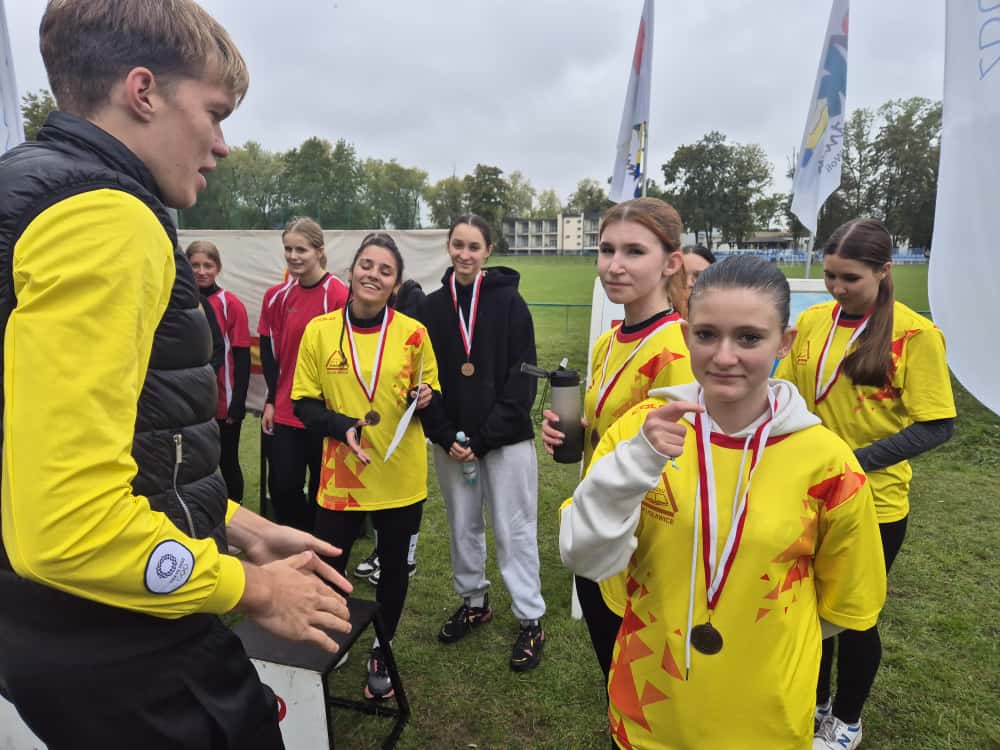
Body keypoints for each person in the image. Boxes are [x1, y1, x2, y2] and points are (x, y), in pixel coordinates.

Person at [0, 2, 352, 747]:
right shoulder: (105, 217)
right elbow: (68, 526)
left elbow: (88, 445)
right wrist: (252, 587)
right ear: (144, 92)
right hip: (120, 635)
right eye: (215, 113)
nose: (222, 145)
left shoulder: (31, 188)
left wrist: (233, 523)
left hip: (54, 627)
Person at [560, 256, 887, 750]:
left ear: (784, 342)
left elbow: (845, 604)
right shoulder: (642, 430)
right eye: (707, 335)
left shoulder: (828, 463)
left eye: (749, 338)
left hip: (765, 717)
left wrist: (760, 631)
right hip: (649, 707)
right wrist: (637, 464)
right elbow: (583, 556)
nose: (724, 356)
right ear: (686, 334)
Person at [775, 218, 956, 750]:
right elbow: (785, 395)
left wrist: (853, 462)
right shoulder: (812, 321)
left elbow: (937, 425)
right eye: (830, 275)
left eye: (850, 278)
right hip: (808, 495)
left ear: (883, 271)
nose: (836, 287)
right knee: (808, 607)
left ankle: (847, 722)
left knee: (854, 617)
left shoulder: (915, 335)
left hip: (873, 503)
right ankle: (816, 703)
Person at [541, 197, 693, 688]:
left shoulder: (679, 350)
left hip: (643, 549)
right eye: (607, 250)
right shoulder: (610, 341)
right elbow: (614, 428)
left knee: (643, 688)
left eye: (634, 251)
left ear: (671, 263)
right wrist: (573, 431)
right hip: (599, 528)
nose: (614, 265)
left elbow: (681, 467)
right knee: (615, 681)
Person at [292, 233, 442, 700]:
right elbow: (303, 403)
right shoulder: (320, 331)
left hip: (400, 473)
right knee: (329, 564)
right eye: (367, 265)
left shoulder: (414, 333)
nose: (373, 275)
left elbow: (432, 393)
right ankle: (333, 634)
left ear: (396, 283)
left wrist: (427, 397)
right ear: (352, 270)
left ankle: (382, 644)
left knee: (394, 567)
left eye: (385, 270)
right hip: (343, 475)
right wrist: (341, 426)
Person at [420, 214, 546, 672]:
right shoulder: (432, 307)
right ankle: (474, 602)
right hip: (452, 442)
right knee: (462, 524)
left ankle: (530, 619)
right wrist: (444, 433)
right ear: (448, 246)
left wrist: (484, 437)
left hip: (505, 441)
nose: (465, 254)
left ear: (488, 251)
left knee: (514, 529)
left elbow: (522, 379)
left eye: (474, 246)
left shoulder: (510, 303)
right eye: (458, 244)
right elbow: (422, 380)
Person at [266, 217, 348, 532]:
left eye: (301, 249)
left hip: (325, 410)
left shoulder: (338, 295)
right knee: (283, 486)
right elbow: (274, 355)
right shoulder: (277, 297)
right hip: (287, 409)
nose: (293, 256)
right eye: (288, 249)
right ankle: (298, 539)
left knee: (323, 488)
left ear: (319, 251)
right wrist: (271, 400)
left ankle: (319, 545)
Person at [353, 276, 427, 585]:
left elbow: (417, 359)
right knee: (378, 485)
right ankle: (382, 551)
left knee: (406, 490)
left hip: (405, 414)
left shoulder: (412, 298)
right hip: (374, 418)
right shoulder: (362, 307)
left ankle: (406, 557)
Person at [187, 240, 251, 503]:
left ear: (218, 268)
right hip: (190, 401)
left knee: (227, 460)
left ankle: (236, 514)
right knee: (195, 462)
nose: (201, 271)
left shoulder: (230, 304)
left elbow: (242, 357)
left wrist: (238, 402)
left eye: (208, 265)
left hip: (223, 401)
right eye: (195, 265)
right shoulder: (179, 303)